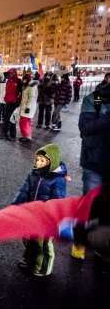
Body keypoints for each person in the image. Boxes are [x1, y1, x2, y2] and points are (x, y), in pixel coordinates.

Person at [12, 143, 68, 277]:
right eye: (37, 159)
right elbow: (24, 190)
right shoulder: (34, 174)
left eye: (42, 160)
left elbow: (58, 201)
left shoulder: (58, 180)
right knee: (28, 237)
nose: (38, 162)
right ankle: (29, 257)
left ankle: (43, 266)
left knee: (42, 244)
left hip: (46, 218)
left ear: (52, 162)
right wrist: (16, 204)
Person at [69, 80, 110, 260]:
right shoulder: (93, 100)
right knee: (88, 205)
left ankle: (102, 244)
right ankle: (79, 241)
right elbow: (85, 127)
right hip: (93, 162)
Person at [0, 68, 21, 139]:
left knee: (11, 118)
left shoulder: (18, 81)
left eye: (11, 73)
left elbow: (21, 93)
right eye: (9, 73)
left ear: (14, 73)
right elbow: (7, 91)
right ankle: (9, 133)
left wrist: (18, 102)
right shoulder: (8, 80)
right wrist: (5, 98)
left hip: (14, 103)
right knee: (7, 117)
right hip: (8, 102)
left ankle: (9, 132)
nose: (9, 75)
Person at [18, 73, 39, 142]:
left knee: (24, 122)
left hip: (28, 108)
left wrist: (28, 108)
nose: (24, 81)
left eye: (25, 80)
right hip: (25, 107)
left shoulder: (31, 87)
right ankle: (26, 136)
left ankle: (27, 137)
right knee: (25, 122)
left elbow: (31, 98)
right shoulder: (26, 86)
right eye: (23, 80)